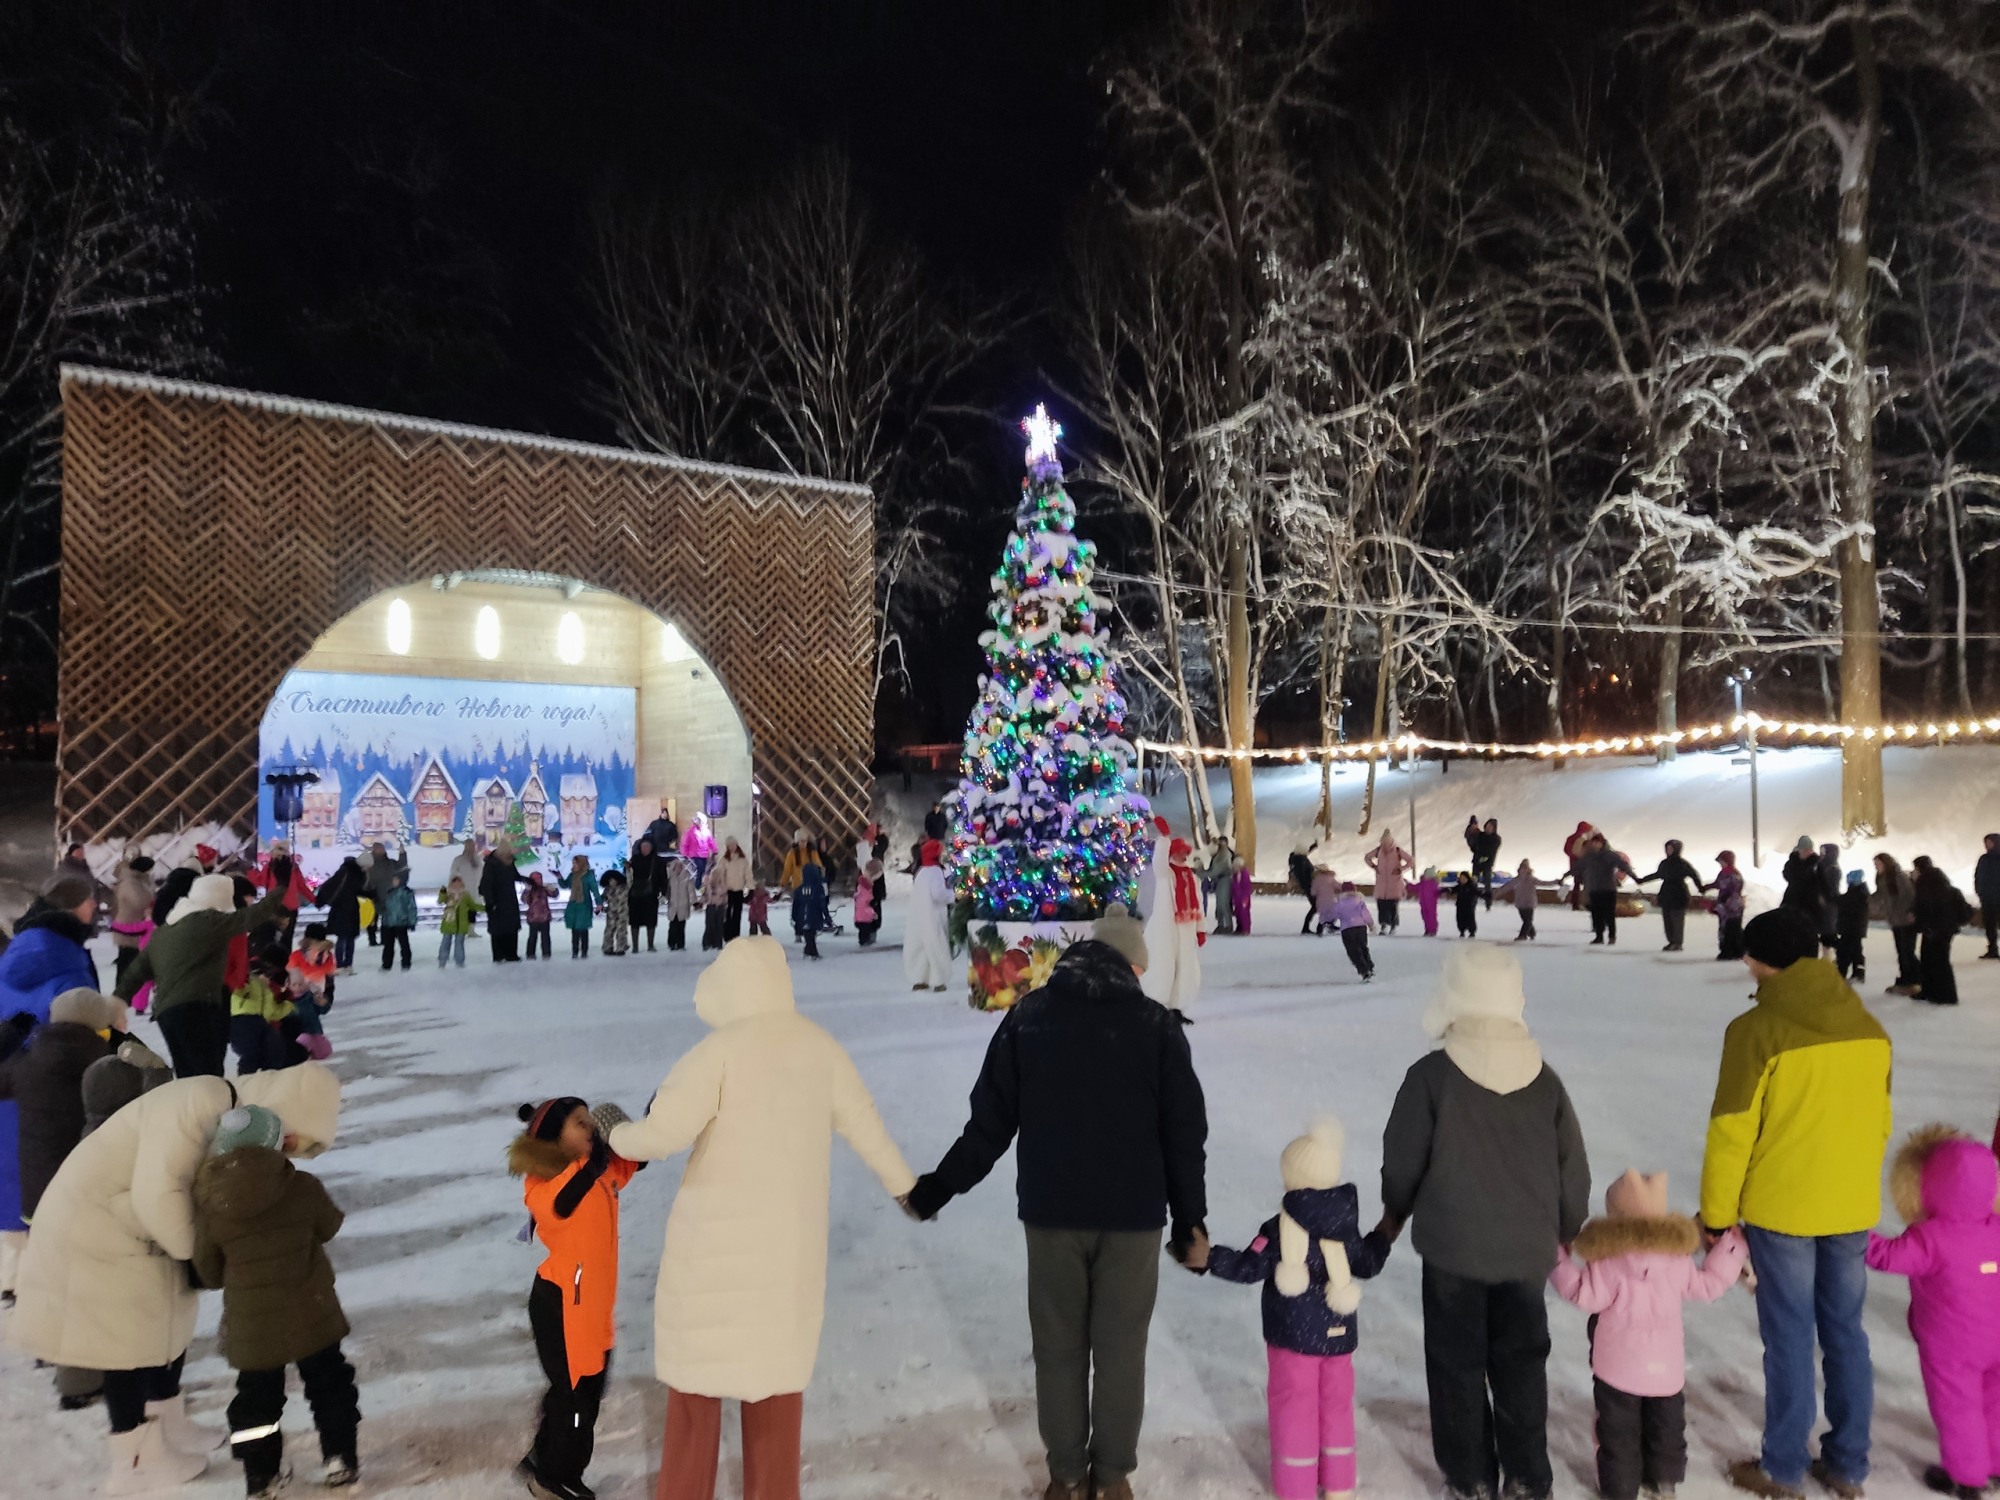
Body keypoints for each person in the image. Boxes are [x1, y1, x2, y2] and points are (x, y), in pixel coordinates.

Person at [904, 923, 1208, 1500]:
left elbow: (988, 1124)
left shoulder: (1029, 1018)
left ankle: (1066, 1477)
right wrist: (1190, 1221)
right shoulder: (1157, 1027)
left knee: (1059, 1347)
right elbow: (1184, 1134)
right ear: (1130, 966)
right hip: (1133, 1217)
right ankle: (1113, 1478)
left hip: (1051, 1212)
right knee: (1121, 1350)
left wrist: (937, 1188)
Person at [607, 937, 914, 1500]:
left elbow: (662, 1135)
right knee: (774, 1396)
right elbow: (866, 1125)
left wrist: (613, 1131)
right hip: (786, 1258)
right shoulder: (820, 1048)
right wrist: (907, 1188)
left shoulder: (718, 1052)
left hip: (712, 1263)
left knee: (694, 1402)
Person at [11, 1063, 340, 1493]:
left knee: (165, 1320)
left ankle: (167, 1421)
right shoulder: (200, 1102)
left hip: (132, 1225)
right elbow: (158, 1192)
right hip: (96, 1226)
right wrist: (204, 1256)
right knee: (124, 1343)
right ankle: (132, 1460)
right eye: (293, 1138)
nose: (289, 1150)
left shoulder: (219, 1109)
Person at [1380, 944, 1591, 1500]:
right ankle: (1527, 1475)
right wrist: (1568, 1226)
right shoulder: (1544, 1080)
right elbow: (1573, 1165)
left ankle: (1470, 1476)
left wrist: (1394, 1210)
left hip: (1453, 1250)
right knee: (1522, 1363)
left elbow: (1403, 1157)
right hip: (1526, 1251)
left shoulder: (1431, 1077)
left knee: (1456, 1363)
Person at [1700, 907, 1892, 1500]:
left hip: (1783, 1209)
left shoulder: (1755, 1031)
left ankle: (1782, 1466)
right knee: (1846, 1332)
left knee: (1788, 1335)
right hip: (1851, 1205)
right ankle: (1847, 1464)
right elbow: (1879, 1121)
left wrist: (1715, 1216)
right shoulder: (1868, 1027)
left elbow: (1732, 1131)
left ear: (1763, 961)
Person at [1200, 1117, 1392, 1500]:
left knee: (1294, 1410)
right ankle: (1338, 1486)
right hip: (1339, 1339)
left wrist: (1208, 1257)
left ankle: (1297, 1488)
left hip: (1292, 1339)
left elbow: (1249, 1266)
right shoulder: (1345, 1226)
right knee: (1336, 1409)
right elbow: (1366, 1263)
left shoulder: (1277, 1229)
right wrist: (1385, 1234)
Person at [1548, 1170, 1748, 1500]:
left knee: (1617, 1432)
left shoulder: (1609, 1261)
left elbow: (1583, 1294)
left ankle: (1619, 1488)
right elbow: (1708, 1285)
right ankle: (1662, 1481)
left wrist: (1556, 1260)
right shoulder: (1676, 1259)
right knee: (1665, 1427)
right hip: (1665, 1371)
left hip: (1617, 1369)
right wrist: (1731, 1247)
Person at [193, 1103, 359, 1495]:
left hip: (253, 1325)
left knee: (256, 1399)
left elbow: (209, 1270)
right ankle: (340, 1457)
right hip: (311, 1310)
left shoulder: (212, 1202)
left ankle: (260, 1474)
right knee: (330, 1383)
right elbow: (330, 1226)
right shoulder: (301, 1187)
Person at [509, 1096, 642, 1500]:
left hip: (591, 1305)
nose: (589, 1127)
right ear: (555, 1137)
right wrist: (598, 1154)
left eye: (589, 1121)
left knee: (584, 1389)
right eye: (579, 1123)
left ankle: (542, 1458)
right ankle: (554, 1477)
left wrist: (647, 1123)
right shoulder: (544, 1184)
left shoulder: (598, 1171)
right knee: (577, 1399)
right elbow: (564, 1203)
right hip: (562, 1303)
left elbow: (637, 1157)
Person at [1862, 1125, 2000, 1500]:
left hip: (1952, 1344)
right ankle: (1996, 1463)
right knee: (1994, 1399)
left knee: (1958, 1407)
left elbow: (1885, 1256)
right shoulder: (1997, 1228)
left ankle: (1968, 1477)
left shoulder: (1931, 1237)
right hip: (1997, 1337)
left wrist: (1857, 1232)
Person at [0, 874, 100, 1299]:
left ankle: (9, 1277)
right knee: (54, 1184)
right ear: (77, 907)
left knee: (10, 1179)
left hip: (8, 1084)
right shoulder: (69, 964)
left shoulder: (11, 956)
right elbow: (83, 1032)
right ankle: (46, 1283)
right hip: (56, 1089)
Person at [0, 987, 115, 1331]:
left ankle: (45, 1332)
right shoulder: (107, 1063)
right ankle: (84, 1333)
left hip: (39, 1190)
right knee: (87, 1265)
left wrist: (10, 1032)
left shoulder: (26, 1064)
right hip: (89, 1186)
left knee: (46, 1264)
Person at [116, 874, 284, 1079]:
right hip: (196, 1009)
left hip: (167, 1012)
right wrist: (281, 887)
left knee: (189, 1076)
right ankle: (211, 1109)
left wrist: (117, 1002)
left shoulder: (166, 930)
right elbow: (252, 916)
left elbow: (136, 971)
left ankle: (194, 1109)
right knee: (208, 1076)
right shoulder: (208, 921)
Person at [1141, 837, 1205, 1015]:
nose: (1183, 855)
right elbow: (1159, 861)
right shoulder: (1166, 874)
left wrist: (1201, 929)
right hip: (1166, 927)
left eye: (1185, 852)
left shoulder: (1192, 877)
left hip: (1186, 928)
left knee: (1185, 967)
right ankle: (1159, 1003)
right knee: (1164, 964)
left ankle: (1178, 1006)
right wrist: (1163, 839)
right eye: (1179, 852)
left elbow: (1198, 904)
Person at [229, 948, 305, 1076]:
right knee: (252, 1054)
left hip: (261, 1023)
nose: (271, 975)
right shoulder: (249, 977)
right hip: (243, 1020)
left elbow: (273, 1013)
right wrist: (250, 981)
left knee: (275, 1048)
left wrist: (288, 1002)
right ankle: (245, 1081)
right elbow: (237, 990)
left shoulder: (268, 990)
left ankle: (269, 1077)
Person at [1910, 855, 1971, 1007]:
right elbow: (1964, 911)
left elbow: (1923, 909)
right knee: (1941, 961)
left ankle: (1935, 992)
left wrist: (1920, 925)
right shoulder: (1947, 887)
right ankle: (1943, 993)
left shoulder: (1924, 886)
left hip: (1932, 929)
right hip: (1946, 930)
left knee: (1930, 960)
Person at [1635, 840, 1705, 953]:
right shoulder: (1664, 863)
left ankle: (1677, 943)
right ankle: (1671, 942)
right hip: (1666, 893)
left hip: (1679, 893)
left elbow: (1694, 875)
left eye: (1671, 848)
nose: (1668, 851)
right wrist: (1642, 880)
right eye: (1667, 848)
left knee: (1677, 919)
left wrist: (1701, 888)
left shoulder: (1683, 864)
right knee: (1667, 919)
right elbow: (1657, 874)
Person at [904, 840, 954, 993]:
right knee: (936, 946)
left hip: (918, 916)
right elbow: (938, 894)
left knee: (919, 947)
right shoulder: (936, 872)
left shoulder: (921, 872)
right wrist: (952, 895)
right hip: (933, 916)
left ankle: (919, 978)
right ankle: (939, 979)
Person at [1872, 852, 1920, 995]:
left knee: (1907, 952)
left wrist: (1911, 912)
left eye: (1878, 864)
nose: (1876, 867)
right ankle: (1908, 978)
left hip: (1906, 920)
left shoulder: (1898, 877)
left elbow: (1910, 896)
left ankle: (1913, 979)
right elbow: (1880, 896)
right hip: (1895, 920)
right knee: (1902, 951)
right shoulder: (1882, 878)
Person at [1579, 835, 1637, 946]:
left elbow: (1624, 865)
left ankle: (1612, 936)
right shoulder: (1590, 856)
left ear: (1602, 843)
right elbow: (1578, 866)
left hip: (1608, 889)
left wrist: (1635, 877)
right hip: (1595, 889)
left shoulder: (1610, 855)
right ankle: (1599, 937)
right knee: (1596, 914)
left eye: (1597, 843)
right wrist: (1565, 876)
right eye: (1594, 843)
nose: (1595, 845)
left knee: (1609, 914)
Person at [312, 854, 366, 973]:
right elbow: (360, 890)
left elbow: (328, 887)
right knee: (349, 939)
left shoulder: (342, 873)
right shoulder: (354, 875)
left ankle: (340, 965)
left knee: (342, 938)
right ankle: (347, 964)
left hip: (339, 909)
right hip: (351, 910)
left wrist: (320, 902)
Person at [108, 856, 157, 989]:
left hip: (135, 927)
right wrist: (152, 902)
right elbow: (140, 901)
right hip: (128, 928)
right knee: (126, 961)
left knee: (129, 961)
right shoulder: (130, 882)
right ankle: (121, 991)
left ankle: (126, 991)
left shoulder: (138, 881)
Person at [480, 844, 532, 963]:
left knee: (511, 928)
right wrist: (490, 902)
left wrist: (526, 879)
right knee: (498, 929)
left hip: (509, 900)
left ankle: (511, 954)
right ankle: (499, 955)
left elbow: (514, 875)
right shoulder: (491, 864)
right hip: (497, 902)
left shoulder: (508, 862)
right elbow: (487, 885)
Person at [359, 839, 407, 950]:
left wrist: (402, 853)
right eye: (378, 848)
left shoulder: (390, 863)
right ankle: (372, 940)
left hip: (388, 896)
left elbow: (401, 865)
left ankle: (385, 939)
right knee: (372, 919)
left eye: (382, 848)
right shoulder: (367, 863)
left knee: (387, 919)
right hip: (372, 896)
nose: (381, 850)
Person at [1364, 830, 1413, 934]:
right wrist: (1374, 866)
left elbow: (1411, 860)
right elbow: (1367, 857)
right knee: (1381, 905)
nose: (1385, 845)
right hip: (1381, 884)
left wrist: (1401, 869)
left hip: (1394, 884)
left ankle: (1393, 926)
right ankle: (1384, 926)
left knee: (1393, 906)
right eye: (1383, 842)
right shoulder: (1378, 850)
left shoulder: (1398, 851)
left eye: (1387, 842)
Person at [1331, 882, 1376, 982]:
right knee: (1363, 947)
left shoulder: (1340, 902)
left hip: (1347, 929)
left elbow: (1334, 914)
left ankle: (1364, 970)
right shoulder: (1359, 901)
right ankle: (1369, 966)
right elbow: (1366, 914)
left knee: (1353, 951)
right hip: (1361, 927)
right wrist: (1371, 925)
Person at [627, 838, 664, 953]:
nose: (645, 849)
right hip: (635, 896)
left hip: (651, 895)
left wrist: (663, 891)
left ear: (651, 847)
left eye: (647, 846)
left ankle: (650, 945)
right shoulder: (634, 860)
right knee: (634, 921)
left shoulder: (657, 860)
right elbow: (629, 877)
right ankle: (635, 946)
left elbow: (663, 876)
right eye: (643, 847)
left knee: (651, 921)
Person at [437, 875, 483, 968]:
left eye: (459, 882)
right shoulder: (448, 894)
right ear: (452, 883)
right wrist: (442, 893)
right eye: (455, 882)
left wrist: (486, 908)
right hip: (449, 922)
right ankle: (442, 960)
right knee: (446, 942)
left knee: (459, 943)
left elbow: (472, 905)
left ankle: (460, 961)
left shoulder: (465, 895)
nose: (457, 884)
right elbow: (441, 901)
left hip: (461, 924)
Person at [1835, 871, 1871, 984]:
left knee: (1846, 951)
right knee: (1854, 950)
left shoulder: (1857, 893)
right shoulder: (1861, 892)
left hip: (1851, 928)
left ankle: (1846, 973)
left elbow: (1844, 902)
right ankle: (1856, 972)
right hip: (1854, 928)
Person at [377, 869, 417, 972]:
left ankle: (406, 963)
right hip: (389, 923)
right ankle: (386, 964)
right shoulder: (388, 891)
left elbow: (411, 907)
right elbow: (384, 906)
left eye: (395, 879)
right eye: (392, 880)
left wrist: (412, 922)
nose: (393, 881)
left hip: (401, 922)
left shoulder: (406, 892)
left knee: (404, 944)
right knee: (388, 946)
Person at [562, 856, 599, 961]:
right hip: (573, 905)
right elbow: (565, 885)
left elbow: (595, 890)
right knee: (574, 929)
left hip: (584, 905)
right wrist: (559, 877)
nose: (574, 865)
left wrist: (599, 903)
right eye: (573, 863)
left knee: (583, 929)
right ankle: (574, 951)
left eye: (576, 863)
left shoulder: (588, 875)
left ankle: (584, 951)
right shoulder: (572, 875)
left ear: (582, 863)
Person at [1713, 851, 1748, 961]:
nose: (1721, 864)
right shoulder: (1727, 873)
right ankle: (1733, 950)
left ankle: (1730, 950)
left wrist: (1726, 897)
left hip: (1731, 905)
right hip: (1730, 904)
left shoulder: (1731, 873)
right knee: (1729, 927)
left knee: (1730, 927)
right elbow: (1718, 884)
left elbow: (1732, 887)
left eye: (1722, 862)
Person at [1780, 838, 1823, 919]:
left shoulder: (1816, 863)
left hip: (1810, 902)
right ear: (1799, 850)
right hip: (1792, 899)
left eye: (1809, 849)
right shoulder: (1792, 862)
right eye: (1804, 849)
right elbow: (1787, 875)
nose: (1807, 852)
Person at [720, 836, 752, 940]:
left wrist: (750, 887)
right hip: (728, 890)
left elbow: (748, 874)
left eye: (733, 845)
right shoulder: (724, 860)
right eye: (730, 846)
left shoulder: (743, 859)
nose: (732, 847)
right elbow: (721, 874)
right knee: (728, 913)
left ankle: (735, 934)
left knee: (737, 913)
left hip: (739, 890)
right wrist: (722, 887)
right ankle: (727, 934)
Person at [1466, 817, 1503, 909]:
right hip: (1477, 862)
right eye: (1487, 826)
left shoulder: (1496, 839)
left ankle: (1488, 902)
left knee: (1487, 883)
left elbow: (1491, 850)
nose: (1488, 828)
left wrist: (1484, 856)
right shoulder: (1480, 835)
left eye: (1490, 827)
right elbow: (1473, 845)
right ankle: (1472, 902)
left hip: (1488, 864)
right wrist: (1471, 830)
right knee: (1474, 882)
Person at [1500, 860, 1540, 942]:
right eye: (1522, 869)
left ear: (1528, 870)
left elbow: (1544, 883)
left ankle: (1523, 935)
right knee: (1526, 919)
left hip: (1529, 903)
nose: (1523, 871)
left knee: (1528, 920)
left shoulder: (1532, 880)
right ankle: (1532, 932)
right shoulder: (1516, 880)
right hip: (1520, 903)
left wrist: (1557, 882)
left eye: (1525, 869)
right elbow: (1506, 887)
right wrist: (1495, 894)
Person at [1563, 821, 1598, 911]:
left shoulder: (1572, 838)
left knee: (1577, 884)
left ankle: (1576, 904)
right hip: (1584, 865)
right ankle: (1587, 904)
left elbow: (1567, 850)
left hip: (1575, 864)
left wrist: (1573, 856)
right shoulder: (1585, 840)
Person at [1977, 833, 2000, 960]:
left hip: (1997, 897)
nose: (1987, 845)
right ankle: (1992, 949)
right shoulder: (1984, 859)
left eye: (1989, 842)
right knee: (1990, 925)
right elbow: (1978, 876)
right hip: (1987, 898)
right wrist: (1979, 891)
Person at [664, 855, 694, 951]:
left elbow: (691, 891)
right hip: (673, 905)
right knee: (672, 926)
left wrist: (693, 901)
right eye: (676, 867)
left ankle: (680, 943)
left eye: (680, 867)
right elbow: (667, 891)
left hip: (683, 905)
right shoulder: (670, 879)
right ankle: (671, 943)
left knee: (681, 926)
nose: (679, 869)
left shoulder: (686, 878)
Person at [599, 868, 631, 957]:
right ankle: (607, 947)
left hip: (622, 912)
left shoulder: (624, 887)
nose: (612, 882)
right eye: (610, 880)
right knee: (609, 930)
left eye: (613, 880)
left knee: (621, 930)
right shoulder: (607, 889)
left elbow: (630, 880)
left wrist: (629, 870)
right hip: (611, 912)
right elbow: (602, 898)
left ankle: (621, 947)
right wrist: (600, 904)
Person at [680, 812, 717, 885]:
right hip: (694, 854)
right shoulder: (690, 831)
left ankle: (699, 885)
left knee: (703, 869)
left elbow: (711, 842)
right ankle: (698, 885)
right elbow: (685, 843)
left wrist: (715, 850)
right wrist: (684, 853)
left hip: (704, 854)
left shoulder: (706, 831)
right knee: (700, 868)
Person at [1289, 846, 1319, 936]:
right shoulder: (1301, 860)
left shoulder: (1296, 858)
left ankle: (1306, 927)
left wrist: (1313, 846)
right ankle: (1306, 927)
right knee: (1316, 906)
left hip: (1307, 886)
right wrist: (1309, 884)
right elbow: (1303, 875)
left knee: (1316, 906)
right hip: (1309, 886)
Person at [701, 859, 730, 951]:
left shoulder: (723, 884)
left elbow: (725, 895)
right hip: (711, 906)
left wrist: (726, 903)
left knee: (719, 925)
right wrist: (700, 902)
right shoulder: (708, 884)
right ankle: (707, 943)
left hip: (720, 906)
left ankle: (717, 943)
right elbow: (705, 894)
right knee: (710, 925)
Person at [522, 872, 552, 961]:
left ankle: (546, 953)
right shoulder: (529, 890)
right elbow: (524, 899)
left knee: (545, 937)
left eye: (540, 879)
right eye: (536, 879)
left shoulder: (544, 889)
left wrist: (553, 889)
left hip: (545, 917)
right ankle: (530, 953)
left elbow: (554, 895)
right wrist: (527, 890)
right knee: (532, 937)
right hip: (533, 917)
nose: (538, 881)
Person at [1310, 863, 1342, 937]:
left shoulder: (1315, 880)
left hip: (1320, 901)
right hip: (1331, 900)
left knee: (1323, 916)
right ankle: (1331, 925)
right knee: (1334, 913)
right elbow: (1338, 886)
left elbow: (1313, 892)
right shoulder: (1330, 878)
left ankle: (1319, 930)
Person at [853, 862, 880, 946]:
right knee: (865, 929)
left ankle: (863, 940)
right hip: (864, 917)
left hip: (859, 916)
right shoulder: (866, 895)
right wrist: (873, 914)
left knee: (863, 929)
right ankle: (864, 941)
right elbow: (866, 907)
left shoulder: (861, 891)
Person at [1414, 866, 1443, 938]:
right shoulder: (1422, 883)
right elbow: (1415, 887)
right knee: (1425, 916)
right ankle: (1427, 929)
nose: (1425, 875)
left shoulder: (1433, 884)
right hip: (1423, 903)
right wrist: (1408, 886)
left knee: (1431, 916)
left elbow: (1437, 892)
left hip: (1431, 904)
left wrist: (1441, 892)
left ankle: (1433, 930)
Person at [1229, 856, 1253, 936]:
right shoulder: (1235, 875)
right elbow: (1234, 887)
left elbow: (1247, 887)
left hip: (1243, 898)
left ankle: (1245, 929)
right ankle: (1239, 928)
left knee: (1244, 913)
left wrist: (1245, 897)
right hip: (1237, 898)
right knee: (1238, 913)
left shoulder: (1245, 874)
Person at [1453, 870, 1480, 940]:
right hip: (1460, 905)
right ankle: (1462, 931)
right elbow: (1452, 890)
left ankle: (1472, 932)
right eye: (1461, 878)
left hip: (1469, 906)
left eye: (1464, 878)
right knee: (1460, 919)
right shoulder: (1459, 886)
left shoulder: (1471, 886)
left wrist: (1485, 895)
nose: (1462, 880)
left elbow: (1477, 892)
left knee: (1470, 918)